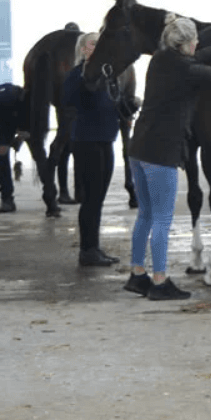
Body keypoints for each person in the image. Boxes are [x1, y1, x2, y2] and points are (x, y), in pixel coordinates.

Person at [124, 18, 211, 301]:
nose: (197, 43)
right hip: (161, 152)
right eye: (194, 39)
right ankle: (159, 281)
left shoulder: (160, 59)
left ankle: (137, 274)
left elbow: (195, 57)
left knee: (146, 214)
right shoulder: (187, 70)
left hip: (138, 149)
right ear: (184, 44)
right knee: (162, 219)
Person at [62, 31, 131, 267]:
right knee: (90, 198)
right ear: (83, 49)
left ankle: (94, 247)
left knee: (99, 198)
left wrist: (127, 106)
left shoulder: (108, 74)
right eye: (93, 44)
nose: (98, 47)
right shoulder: (76, 74)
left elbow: (113, 102)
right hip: (86, 140)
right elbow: (68, 100)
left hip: (106, 139)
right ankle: (87, 250)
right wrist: (86, 80)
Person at [0, 83, 60, 217]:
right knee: (3, 158)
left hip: (25, 116)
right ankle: (6, 199)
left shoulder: (14, 97)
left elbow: (36, 113)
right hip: (5, 123)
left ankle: (51, 199)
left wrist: (28, 133)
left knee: (39, 155)